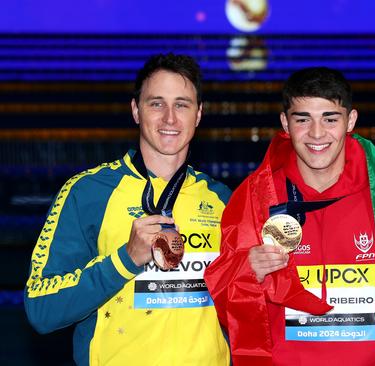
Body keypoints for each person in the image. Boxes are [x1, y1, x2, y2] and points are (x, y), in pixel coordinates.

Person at [204, 67, 375, 366]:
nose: (317, 133)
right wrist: (247, 270)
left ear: (350, 121)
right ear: (285, 124)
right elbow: (224, 295)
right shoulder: (255, 196)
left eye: (330, 119)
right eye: (303, 119)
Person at [24, 53, 231, 365]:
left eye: (182, 104)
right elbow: (41, 308)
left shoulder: (222, 199)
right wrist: (125, 260)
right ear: (136, 110)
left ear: (199, 114)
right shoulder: (88, 192)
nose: (170, 118)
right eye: (156, 103)